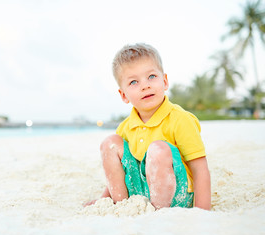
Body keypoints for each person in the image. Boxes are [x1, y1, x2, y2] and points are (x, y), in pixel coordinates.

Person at [85, 43, 211, 210]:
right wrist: (104, 198)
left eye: (151, 76)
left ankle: (159, 212)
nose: (145, 85)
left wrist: (202, 211)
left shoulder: (180, 119)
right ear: (124, 95)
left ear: (164, 81)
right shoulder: (126, 127)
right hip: (140, 192)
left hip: (176, 194)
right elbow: (120, 171)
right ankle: (122, 205)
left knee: (158, 149)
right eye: (134, 82)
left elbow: (200, 168)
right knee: (110, 143)